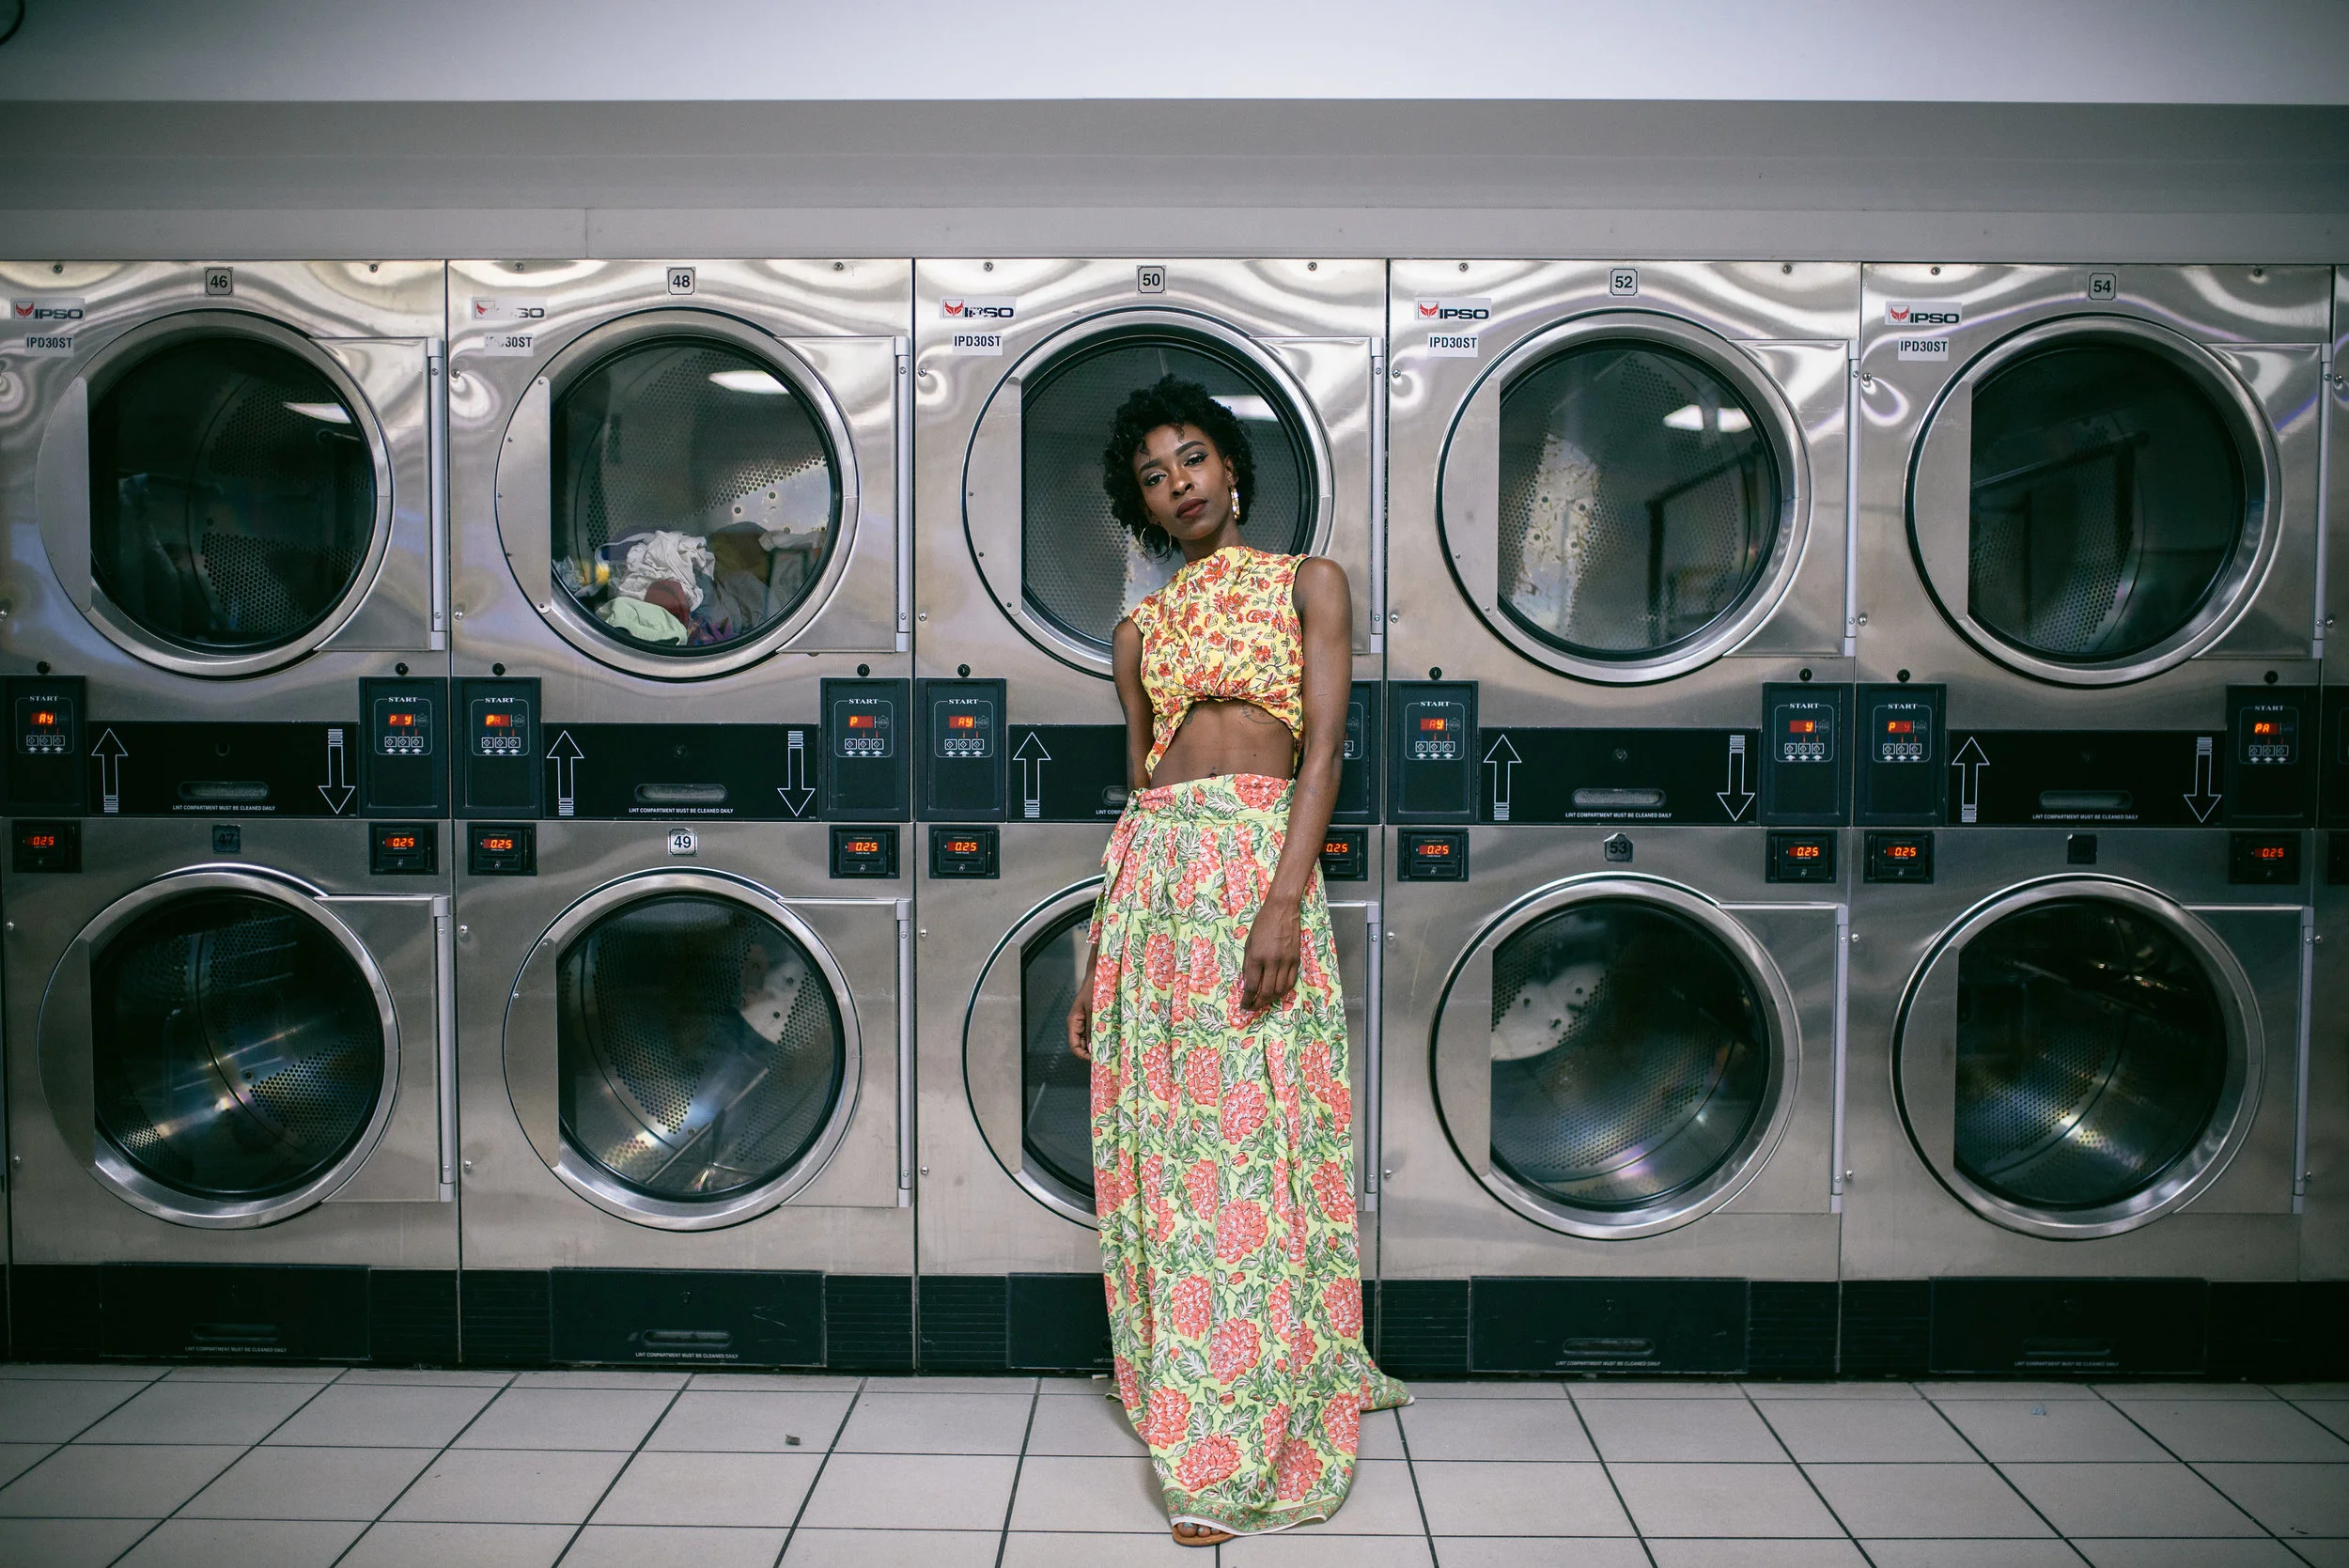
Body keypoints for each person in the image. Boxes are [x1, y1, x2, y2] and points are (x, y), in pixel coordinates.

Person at [1066, 375, 1408, 1545]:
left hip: (1257, 873)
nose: (1180, 484)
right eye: (1155, 476)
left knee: (1254, 1146)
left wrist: (1278, 899)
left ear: (1233, 470)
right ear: (1145, 507)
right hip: (1157, 888)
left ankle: (1243, 1435)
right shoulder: (1139, 632)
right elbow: (1137, 798)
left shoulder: (1307, 583)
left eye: (1194, 458)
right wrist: (1093, 956)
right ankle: (1198, 1390)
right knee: (1176, 1152)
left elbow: (1322, 759)